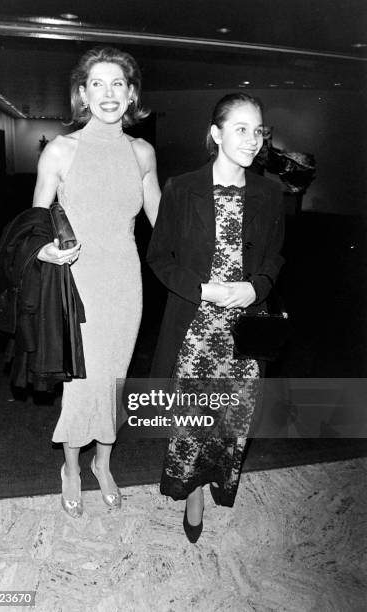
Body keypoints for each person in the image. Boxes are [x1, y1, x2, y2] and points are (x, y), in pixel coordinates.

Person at [147, 93, 284, 542]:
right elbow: (159, 258)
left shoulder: (270, 192)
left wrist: (255, 287)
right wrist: (202, 288)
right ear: (216, 133)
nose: (252, 139)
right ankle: (191, 491)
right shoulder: (181, 188)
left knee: (234, 418)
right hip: (196, 327)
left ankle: (216, 478)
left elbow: (275, 259)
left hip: (246, 325)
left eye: (258, 130)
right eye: (241, 128)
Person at [33, 47, 160, 517]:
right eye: (97, 84)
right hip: (76, 282)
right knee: (81, 381)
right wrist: (44, 248)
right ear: (83, 94)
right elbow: (35, 220)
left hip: (125, 283)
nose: (108, 93)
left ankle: (103, 463)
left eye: (118, 84)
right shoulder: (62, 149)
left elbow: (162, 224)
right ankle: (70, 466)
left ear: (131, 94)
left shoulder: (142, 152)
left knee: (115, 378)